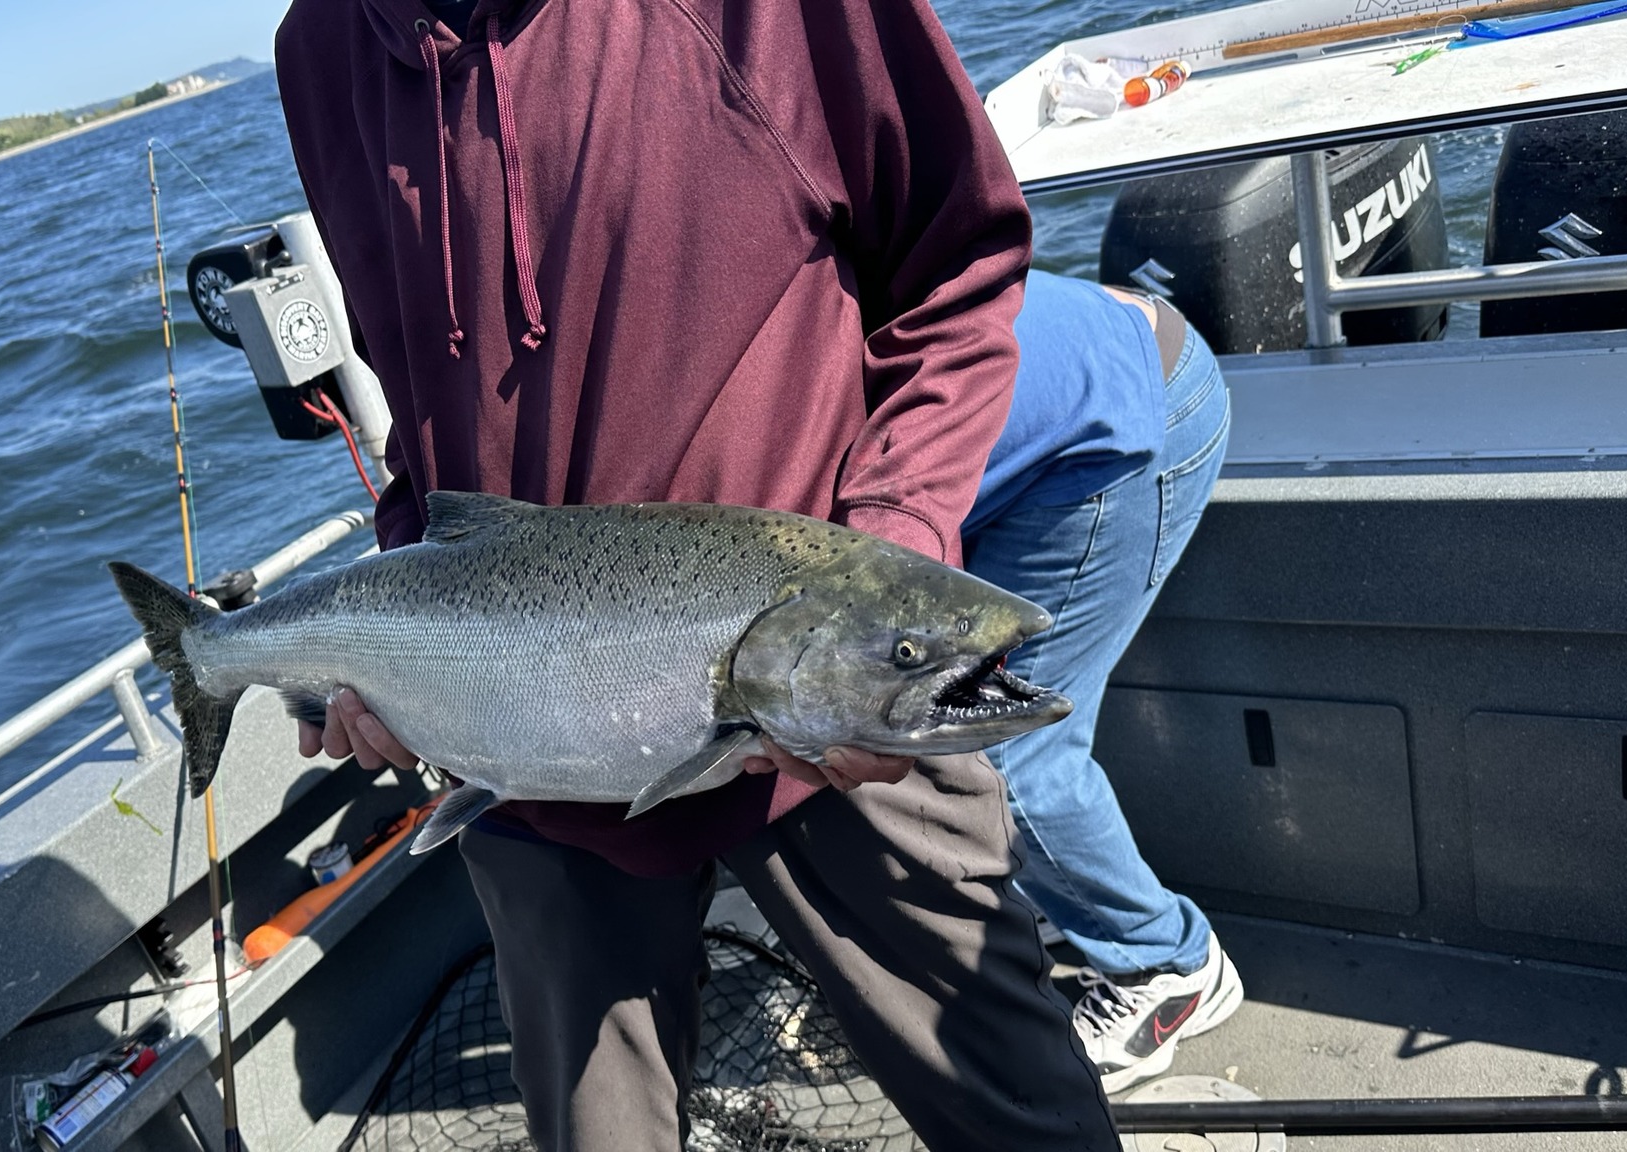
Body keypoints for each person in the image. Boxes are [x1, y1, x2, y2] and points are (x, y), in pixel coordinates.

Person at [275, 0, 1119, 1148]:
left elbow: (955, 270)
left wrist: (893, 564)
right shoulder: (318, 48)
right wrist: (404, 657)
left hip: (829, 699)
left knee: (1017, 1113)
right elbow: (414, 404)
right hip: (523, 749)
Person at [962, 269, 1242, 1092]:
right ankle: (1072, 904)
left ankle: (1166, 969)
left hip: (1112, 424)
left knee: (999, 749)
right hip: (1078, 381)